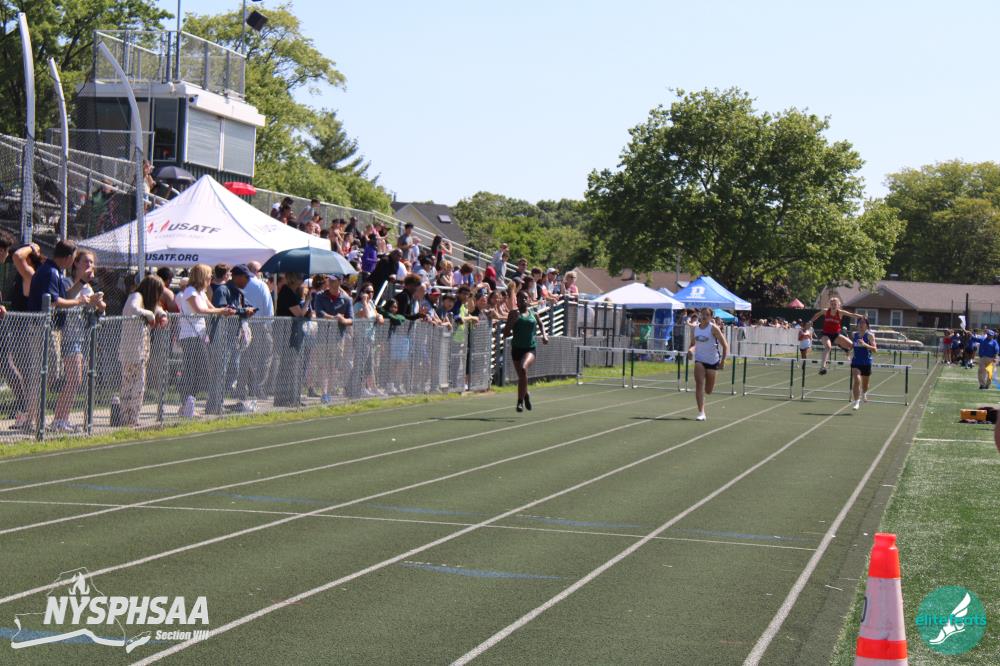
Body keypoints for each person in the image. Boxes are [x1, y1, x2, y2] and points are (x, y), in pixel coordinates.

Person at [50, 250, 107, 432]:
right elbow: (65, 299)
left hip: (80, 337)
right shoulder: (67, 282)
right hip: (66, 335)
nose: (89, 266)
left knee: (76, 380)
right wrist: (81, 283)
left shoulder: (88, 288)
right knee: (74, 379)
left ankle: (61, 419)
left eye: (91, 263)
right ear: (76, 263)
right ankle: (58, 420)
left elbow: (99, 312)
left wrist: (99, 304)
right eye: (86, 262)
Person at [176, 264, 236, 417]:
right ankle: (186, 404)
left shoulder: (201, 293)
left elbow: (211, 307)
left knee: (199, 371)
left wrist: (224, 310)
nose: (211, 278)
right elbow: (200, 310)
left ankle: (189, 404)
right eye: (209, 275)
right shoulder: (190, 291)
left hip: (200, 336)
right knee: (191, 371)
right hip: (190, 336)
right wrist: (222, 311)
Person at [119, 275, 167, 426]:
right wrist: (150, 315)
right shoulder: (136, 296)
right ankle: (130, 418)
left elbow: (157, 308)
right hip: (132, 350)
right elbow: (133, 309)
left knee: (133, 384)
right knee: (135, 385)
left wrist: (162, 315)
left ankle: (129, 418)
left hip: (140, 350)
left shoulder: (144, 301)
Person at [504, 290, 548, 412]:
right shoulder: (513, 314)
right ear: (517, 301)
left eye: (525, 298)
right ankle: (526, 394)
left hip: (530, 348)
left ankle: (520, 402)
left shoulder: (534, 313)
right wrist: (513, 322)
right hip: (516, 349)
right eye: (520, 298)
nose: (523, 300)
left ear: (529, 300)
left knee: (523, 369)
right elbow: (506, 333)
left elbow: (541, 324)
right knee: (522, 377)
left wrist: (544, 336)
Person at [687, 307, 729, 421]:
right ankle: (701, 412)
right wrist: (690, 351)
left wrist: (722, 361)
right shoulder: (695, 329)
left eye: (707, 315)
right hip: (699, 360)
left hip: (712, 361)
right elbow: (693, 344)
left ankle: (704, 399)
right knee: (699, 385)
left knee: (708, 390)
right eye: (702, 314)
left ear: (711, 317)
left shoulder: (713, 328)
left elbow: (725, 345)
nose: (704, 316)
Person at [808, 297, 862, 374]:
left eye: (835, 304)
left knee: (852, 345)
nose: (833, 306)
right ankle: (822, 367)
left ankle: (852, 357)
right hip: (825, 334)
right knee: (828, 347)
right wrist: (811, 321)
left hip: (836, 335)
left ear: (838, 305)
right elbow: (817, 315)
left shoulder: (840, 312)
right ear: (830, 305)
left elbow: (852, 315)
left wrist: (861, 316)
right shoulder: (826, 311)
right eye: (832, 304)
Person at [850, 318, 877, 410]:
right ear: (857, 325)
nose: (861, 324)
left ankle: (864, 393)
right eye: (859, 323)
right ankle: (856, 402)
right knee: (857, 380)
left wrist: (865, 344)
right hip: (856, 362)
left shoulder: (870, 335)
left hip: (866, 362)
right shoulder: (854, 335)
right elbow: (852, 345)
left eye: (863, 323)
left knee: (865, 385)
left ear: (866, 325)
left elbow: (875, 349)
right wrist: (848, 350)